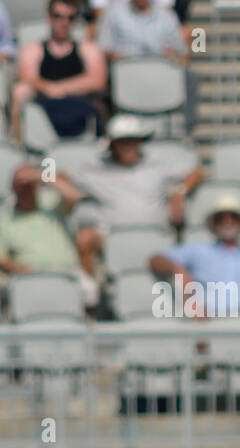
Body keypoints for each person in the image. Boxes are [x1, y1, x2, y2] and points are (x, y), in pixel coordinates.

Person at [60, 113, 202, 275]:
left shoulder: (158, 163)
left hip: (156, 233)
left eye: (134, 141)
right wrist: (63, 189)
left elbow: (197, 172)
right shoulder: (95, 169)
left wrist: (179, 193)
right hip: (110, 234)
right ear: (112, 145)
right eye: (123, 142)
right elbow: (62, 176)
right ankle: (90, 290)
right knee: (85, 239)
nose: (130, 146)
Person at [149, 195, 240, 320]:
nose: (227, 222)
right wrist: (177, 269)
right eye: (221, 218)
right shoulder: (197, 250)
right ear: (213, 224)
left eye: (233, 218)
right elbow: (155, 260)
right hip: (208, 322)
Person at [10, 0, 108, 142]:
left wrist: (59, 89)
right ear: (48, 17)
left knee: (100, 104)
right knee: (20, 91)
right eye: (58, 16)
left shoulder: (88, 49)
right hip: (45, 106)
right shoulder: (33, 50)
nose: (64, 22)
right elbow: (27, 77)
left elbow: (98, 80)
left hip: (79, 105)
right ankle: (19, 147)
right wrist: (49, 89)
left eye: (70, 18)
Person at [0, 164, 97, 306]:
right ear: (13, 189)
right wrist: (27, 271)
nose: (24, 190)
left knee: (90, 290)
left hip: (68, 272)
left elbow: (74, 196)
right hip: (29, 276)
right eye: (20, 186)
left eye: (29, 186)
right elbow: (2, 260)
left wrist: (40, 176)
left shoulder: (52, 205)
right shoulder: (5, 221)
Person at [95, 0, 188, 61]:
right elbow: (103, 48)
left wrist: (172, 54)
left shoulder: (167, 15)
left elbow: (181, 52)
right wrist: (117, 58)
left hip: (160, 69)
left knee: (189, 77)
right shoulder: (113, 13)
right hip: (125, 69)